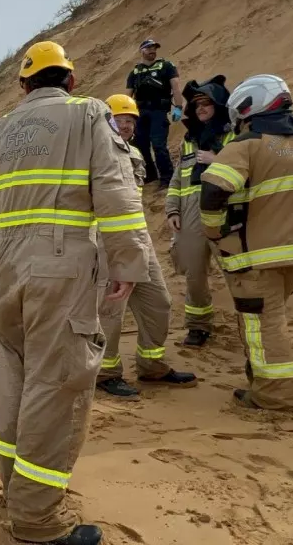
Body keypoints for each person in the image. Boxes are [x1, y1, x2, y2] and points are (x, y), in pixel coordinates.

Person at [0, 41, 151, 545]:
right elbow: (116, 191)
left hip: (6, 268)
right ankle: (37, 520)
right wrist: (128, 259)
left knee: (12, 382)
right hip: (64, 265)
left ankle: (16, 490)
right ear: (72, 81)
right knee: (56, 386)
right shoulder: (89, 114)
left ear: (23, 86)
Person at [199, 74, 293, 410]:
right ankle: (262, 376)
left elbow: (213, 192)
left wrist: (213, 232)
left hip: (255, 257)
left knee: (264, 325)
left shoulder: (245, 145)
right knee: (268, 318)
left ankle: (277, 394)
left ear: (246, 111)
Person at [95, 94, 198, 398]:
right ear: (106, 122)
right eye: (120, 120)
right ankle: (105, 372)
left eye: (131, 121)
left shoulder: (136, 153)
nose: (126, 125)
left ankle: (152, 366)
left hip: (139, 239)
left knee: (159, 303)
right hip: (109, 241)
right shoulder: (95, 154)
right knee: (111, 311)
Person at [164, 75, 236, 348]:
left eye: (206, 103)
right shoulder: (188, 141)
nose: (201, 108)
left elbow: (247, 172)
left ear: (218, 105)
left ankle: (251, 325)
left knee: (236, 274)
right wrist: (172, 209)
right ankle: (198, 327)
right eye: (197, 105)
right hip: (191, 216)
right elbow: (176, 179)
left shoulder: (233, 136)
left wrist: (218, 161)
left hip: (226, 213)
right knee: (194, 275)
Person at [125, 39, 183, 189]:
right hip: (140, 112)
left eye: (154, 48)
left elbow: (176, 87)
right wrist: (125, 114)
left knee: (158, 145)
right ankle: (150, 175)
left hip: (159, 111)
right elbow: (127, 96)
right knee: (140, 145)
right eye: (149, 48)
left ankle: (167, 178)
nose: (152, 50)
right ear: (142, 50)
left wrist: (178, 106)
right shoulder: (135, 72)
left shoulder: (166, 66)